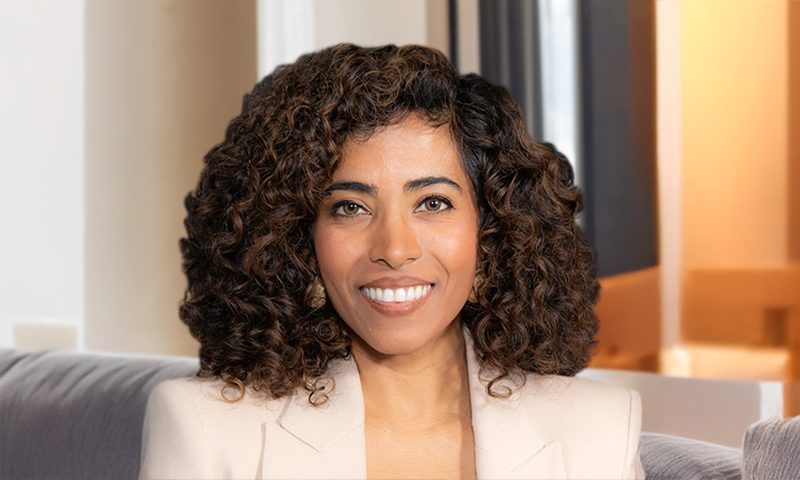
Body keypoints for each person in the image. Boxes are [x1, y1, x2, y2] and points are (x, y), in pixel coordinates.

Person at [139, 44, 644, 480]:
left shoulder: (598, 431)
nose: (395, 248)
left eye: (433, 203)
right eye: (350, 207)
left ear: (492, 231)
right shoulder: (206, 430)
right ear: (297, 238)